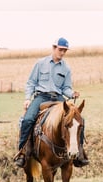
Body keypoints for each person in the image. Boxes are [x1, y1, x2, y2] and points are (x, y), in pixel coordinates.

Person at [14, 37, 89, 168]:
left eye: (65, 50)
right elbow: (31, 83)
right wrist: (27, 98)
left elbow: (66, 87)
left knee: (79, 119)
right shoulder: (40, 63)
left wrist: (72, 94)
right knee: (27, 120)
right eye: (60, 50)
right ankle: (23, 152)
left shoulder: (66, 68)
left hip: (58, 99)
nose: (62, 53)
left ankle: (80, 153)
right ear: (54, 48)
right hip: (41, 97)